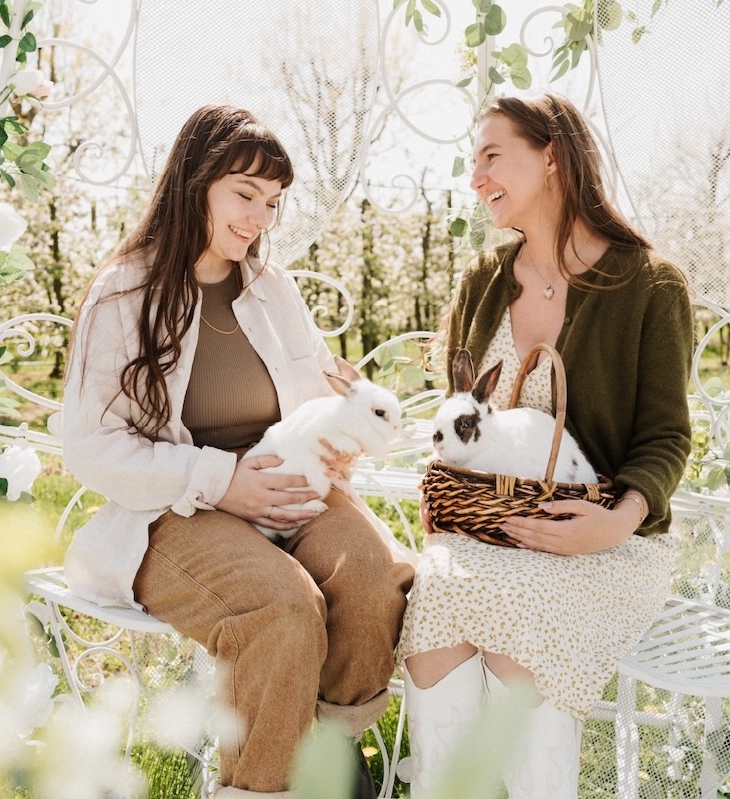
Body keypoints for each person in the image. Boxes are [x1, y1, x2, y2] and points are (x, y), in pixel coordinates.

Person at [60, 105, 414, 799]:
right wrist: (221, 481)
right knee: (282, 608)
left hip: (292, 490)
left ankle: (325, 758)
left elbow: (313, 394)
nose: (260, 217)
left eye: (274, 202)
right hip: (173, 509)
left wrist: (338, 446)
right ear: (196, 182)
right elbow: (91, 444)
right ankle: (269, 785)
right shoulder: (124, 292)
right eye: (244, 194)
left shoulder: (272, 290)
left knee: (376, 579)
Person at [397, 92, 693, 798]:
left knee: (516, 621)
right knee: (433, 600)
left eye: (492, 156)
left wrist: (613, 522)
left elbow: (666, 436)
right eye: (473, 162)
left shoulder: (648, 285)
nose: (477, 177)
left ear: (552, 156)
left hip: (608, 542)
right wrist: (443, 490)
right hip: (487, 534)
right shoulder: (483, 281)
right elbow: (462, 417)